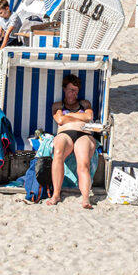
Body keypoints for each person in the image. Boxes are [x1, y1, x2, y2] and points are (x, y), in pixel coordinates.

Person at [48, 74, 98, 208]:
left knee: (84, 163)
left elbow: (89, 117)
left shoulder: (84, 103)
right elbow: (60, 120)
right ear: (64, 89)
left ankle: (86, 198)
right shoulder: (58, 105)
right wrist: (78, 117)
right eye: (70, 89)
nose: (73, 93)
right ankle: (56, 194)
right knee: (58, 153)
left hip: (84, 134)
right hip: (65, 134)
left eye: (75, 90)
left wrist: (68, 116)